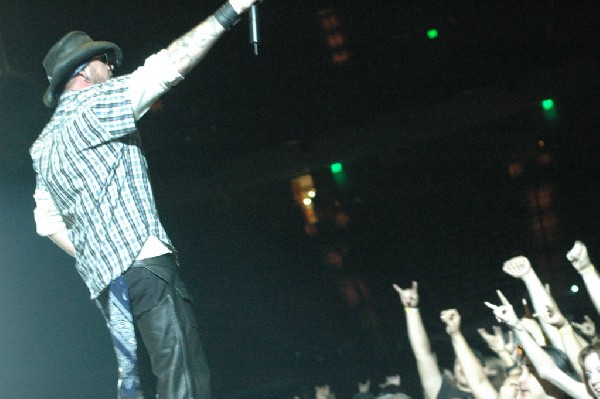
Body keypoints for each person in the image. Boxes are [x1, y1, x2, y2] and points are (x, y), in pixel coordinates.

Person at [30, 0, 258, 398]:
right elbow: (165, 69)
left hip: (107, 285)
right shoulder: (95, 106)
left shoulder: (43, 145)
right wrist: (231, 10)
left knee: (137, 383)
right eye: (104, 60)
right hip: (143, 265)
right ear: (83, 71)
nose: (111, 66)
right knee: (181, 371)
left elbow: (46, 223)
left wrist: (94, 254)